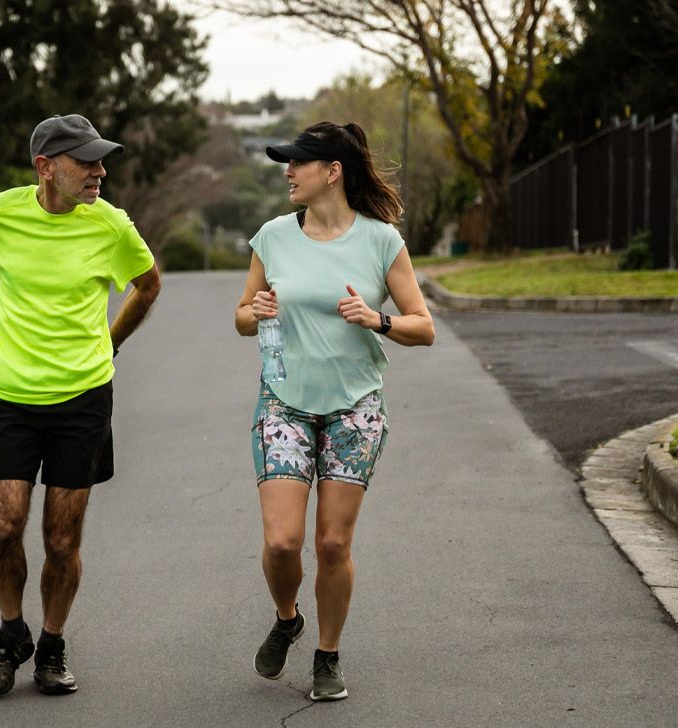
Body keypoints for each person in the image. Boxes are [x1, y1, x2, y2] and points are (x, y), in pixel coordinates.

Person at [0, 113, 161, 697]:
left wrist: (111, 341)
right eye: (86, 161)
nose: (100, 172)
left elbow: (148, 284)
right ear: (45, 167)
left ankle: (51, 644)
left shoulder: (110, 225)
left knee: (62, 540)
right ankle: (11, 632)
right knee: (3, 526)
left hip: (83, 398)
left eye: (101, 161)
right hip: (10, 396)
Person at [234, 121, 435, 702]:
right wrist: (256, 311)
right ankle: (287, 617)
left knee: (331, 545)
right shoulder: (272, 237)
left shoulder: (381, 241)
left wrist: (378, 319)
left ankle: (327, 654)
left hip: (355, 408)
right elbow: (242, 316)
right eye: (287, 163)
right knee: (281, 542)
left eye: (298, 162)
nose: (288, 172)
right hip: (284, 402)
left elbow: (424, 327)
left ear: (332, 172)